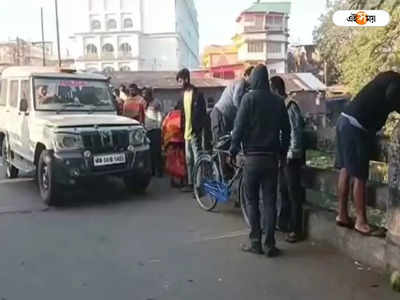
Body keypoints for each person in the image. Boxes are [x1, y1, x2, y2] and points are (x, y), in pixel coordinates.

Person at [229, 64, 290, 257]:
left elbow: (238, 128)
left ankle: (255, 242)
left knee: (252, 201)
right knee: (270, 202)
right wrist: (282, 151)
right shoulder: (278, 101)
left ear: (254, 80)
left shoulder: (248, 99)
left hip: (252, 160)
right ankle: (270, 244)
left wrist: (232, 150)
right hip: (271, 159)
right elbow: (287, 131)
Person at [336, 71, 400, 236]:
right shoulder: (396, 82)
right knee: (360, 175)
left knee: (345, 169)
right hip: (356, 126)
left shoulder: (387, 77)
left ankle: (342, 214)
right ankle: (361, 221)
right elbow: (392, 94)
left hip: (344, 119)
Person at [271, 76, 306, 243]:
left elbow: (295, 132)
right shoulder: (279, 106)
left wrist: (292, 153)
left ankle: (296, 229)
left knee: (293, 193)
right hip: (282, 155)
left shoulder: (290, 106)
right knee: (283, 190)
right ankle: (284, 223)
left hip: (291, 156)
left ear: (276, 90)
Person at [176, 68, 207, 193]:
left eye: (180, 80)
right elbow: (181, 111)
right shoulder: (182, 95)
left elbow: (202, 113)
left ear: (186, 79)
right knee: (189, 160)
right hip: (186, 133)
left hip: (194, 132)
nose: (179, 83)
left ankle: (199, 186)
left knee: (197, 158)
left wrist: (198, 129)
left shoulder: (198, 94)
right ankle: (190, 183)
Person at [211, 66, 254, 142]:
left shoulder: (247, 88)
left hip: (226, 116)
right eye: (252, 76)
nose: (254, 79)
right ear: (247, 75)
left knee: (228, 142)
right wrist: (242, 113)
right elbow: (236, 99)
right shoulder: (241, 82)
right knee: (221, 143)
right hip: (221, 114)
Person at [143, 87, 163, 177]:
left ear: (150, 94)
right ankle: (152, 171)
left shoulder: (156, 102)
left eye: (145, 94)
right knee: (150, 152)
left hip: (156, 130)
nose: (144, 96)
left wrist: (159, 127)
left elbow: (160, 115)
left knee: (157, 151)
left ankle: (159, 171)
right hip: (147, 130)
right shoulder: (145, 103)